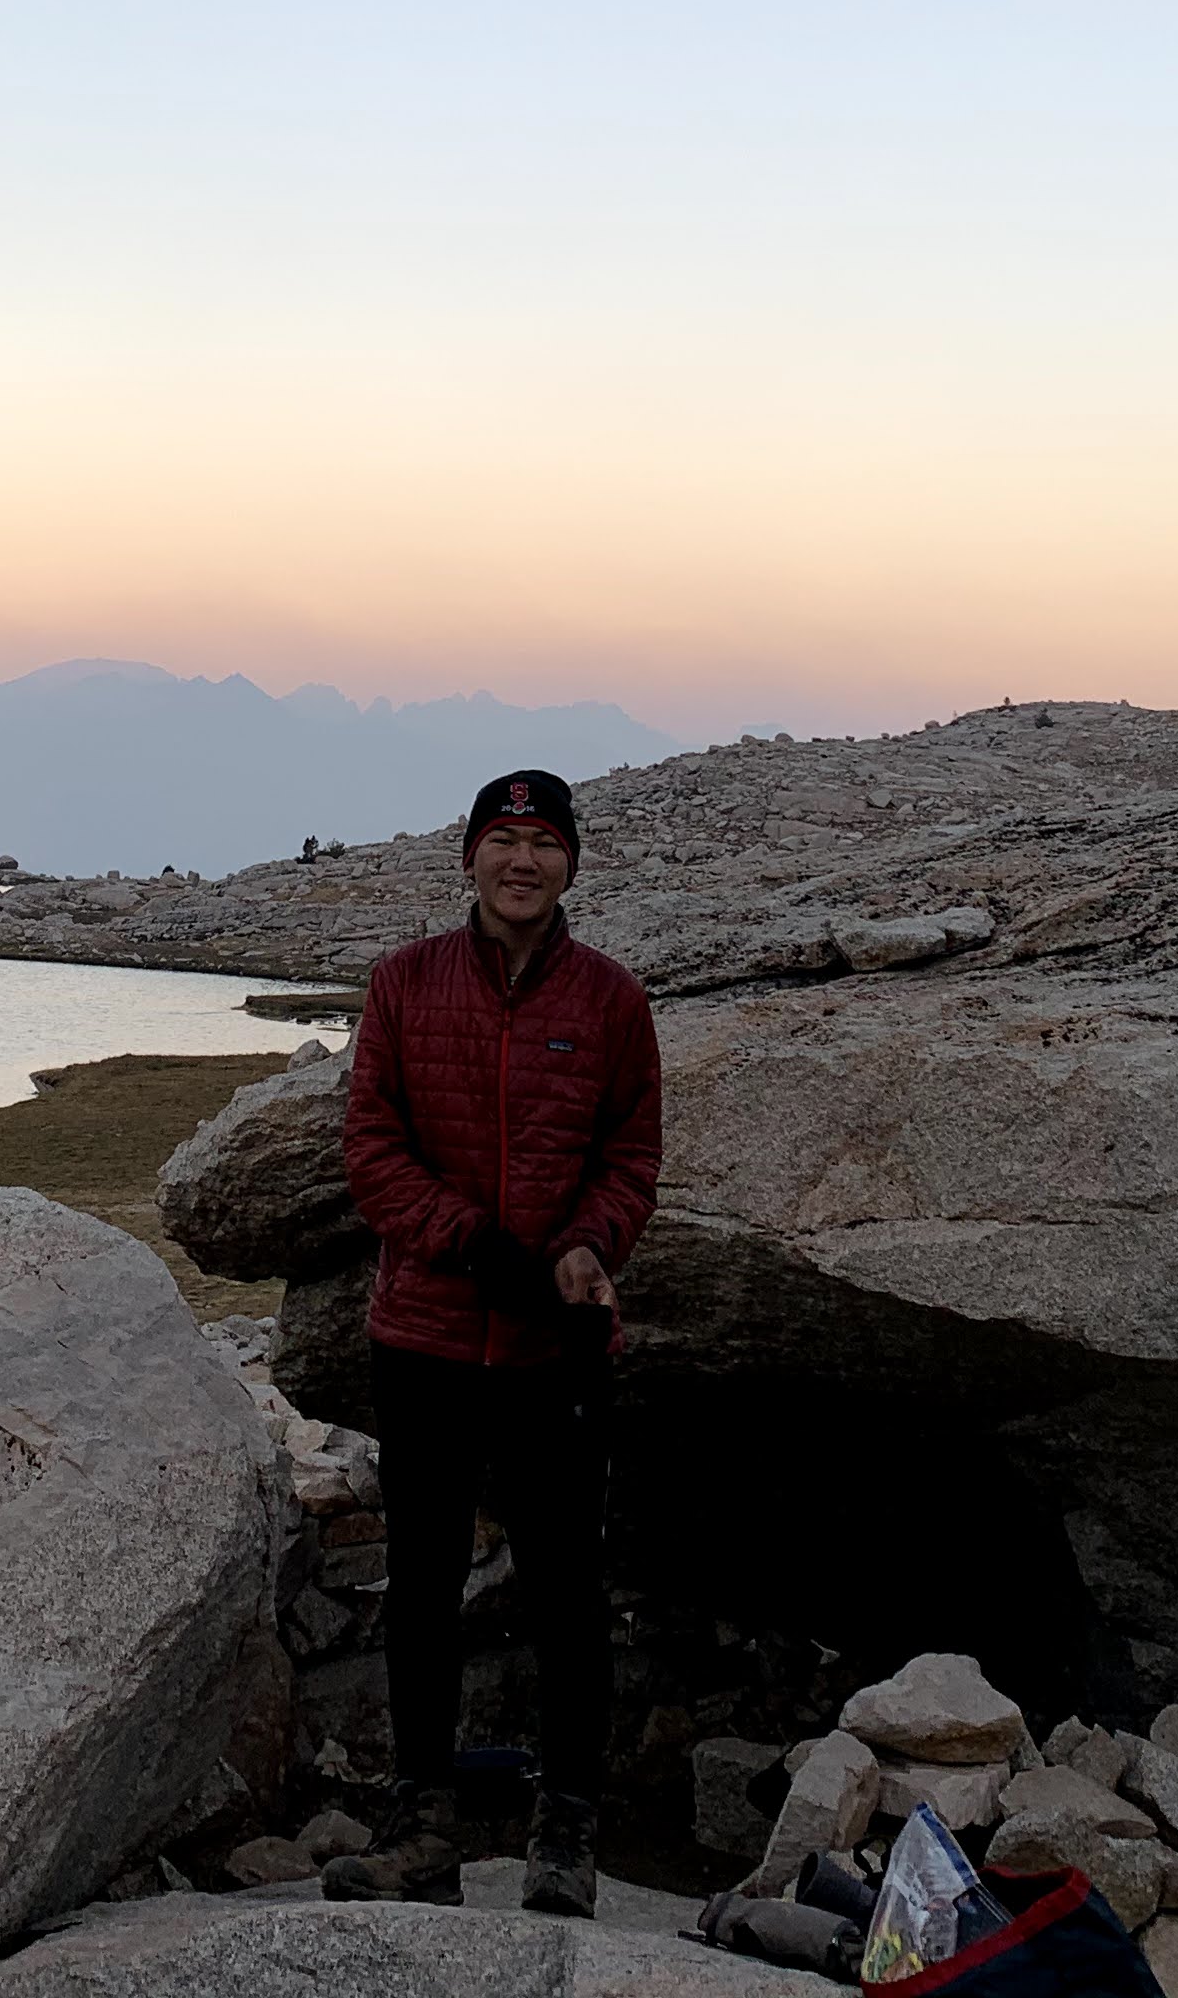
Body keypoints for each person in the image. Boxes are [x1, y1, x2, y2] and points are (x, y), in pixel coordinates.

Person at [319, 768, 663, 1920]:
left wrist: (589, 1244)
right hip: (423, 1336)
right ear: (469, 857)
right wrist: (473, 1244)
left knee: (567, 1589)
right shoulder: (404, 984)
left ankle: (565, 1833)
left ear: (571, 864)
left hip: (555, 1347)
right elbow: (372, 1150)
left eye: (544, 843)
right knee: (422, 1586)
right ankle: (423, 1829)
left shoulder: (611, 1001)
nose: (524, 862)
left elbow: (631, 1156)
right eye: (504, 841)